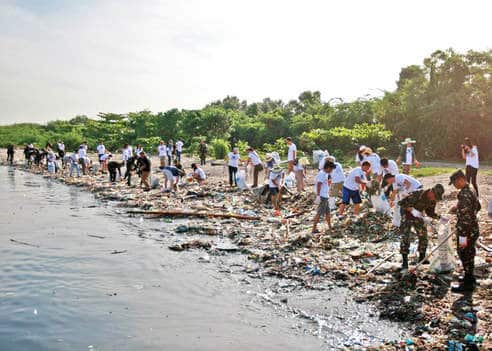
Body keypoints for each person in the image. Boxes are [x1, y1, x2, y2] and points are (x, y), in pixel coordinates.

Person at [398, 184, 445, 270]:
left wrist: (440, 217)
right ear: (431, 192)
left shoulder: (432, 200)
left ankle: (422, 258)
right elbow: (401, 203)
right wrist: (412, 210)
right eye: (435, 196)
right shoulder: (417, 194)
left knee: (423, 235)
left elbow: (430, 212)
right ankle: (404, 262)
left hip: (418, 215)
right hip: (406, 215)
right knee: (406, 237)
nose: (434, 199)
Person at [449, 170, 481, 292]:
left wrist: (462, 233)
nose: (454, 186)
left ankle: (468, 284)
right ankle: (469, 277)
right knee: (469, 253)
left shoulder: (464, 194)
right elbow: (478, 206)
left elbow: (466, 216)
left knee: (464, 253)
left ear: (461, 179)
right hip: (472, 229)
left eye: (455, 183)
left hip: (465, 231)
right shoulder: (471, 189)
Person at [313, 161, 336, 234]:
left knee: (328, 213)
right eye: (331, 169)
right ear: (328, 167)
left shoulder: (325, 174)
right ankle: (313, 229)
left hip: (325, 196)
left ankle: (330, 227)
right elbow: (319, 184)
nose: (331, 171)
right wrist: (318, 196)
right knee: (319, 213)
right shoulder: (322, 174)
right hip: (322, 196)